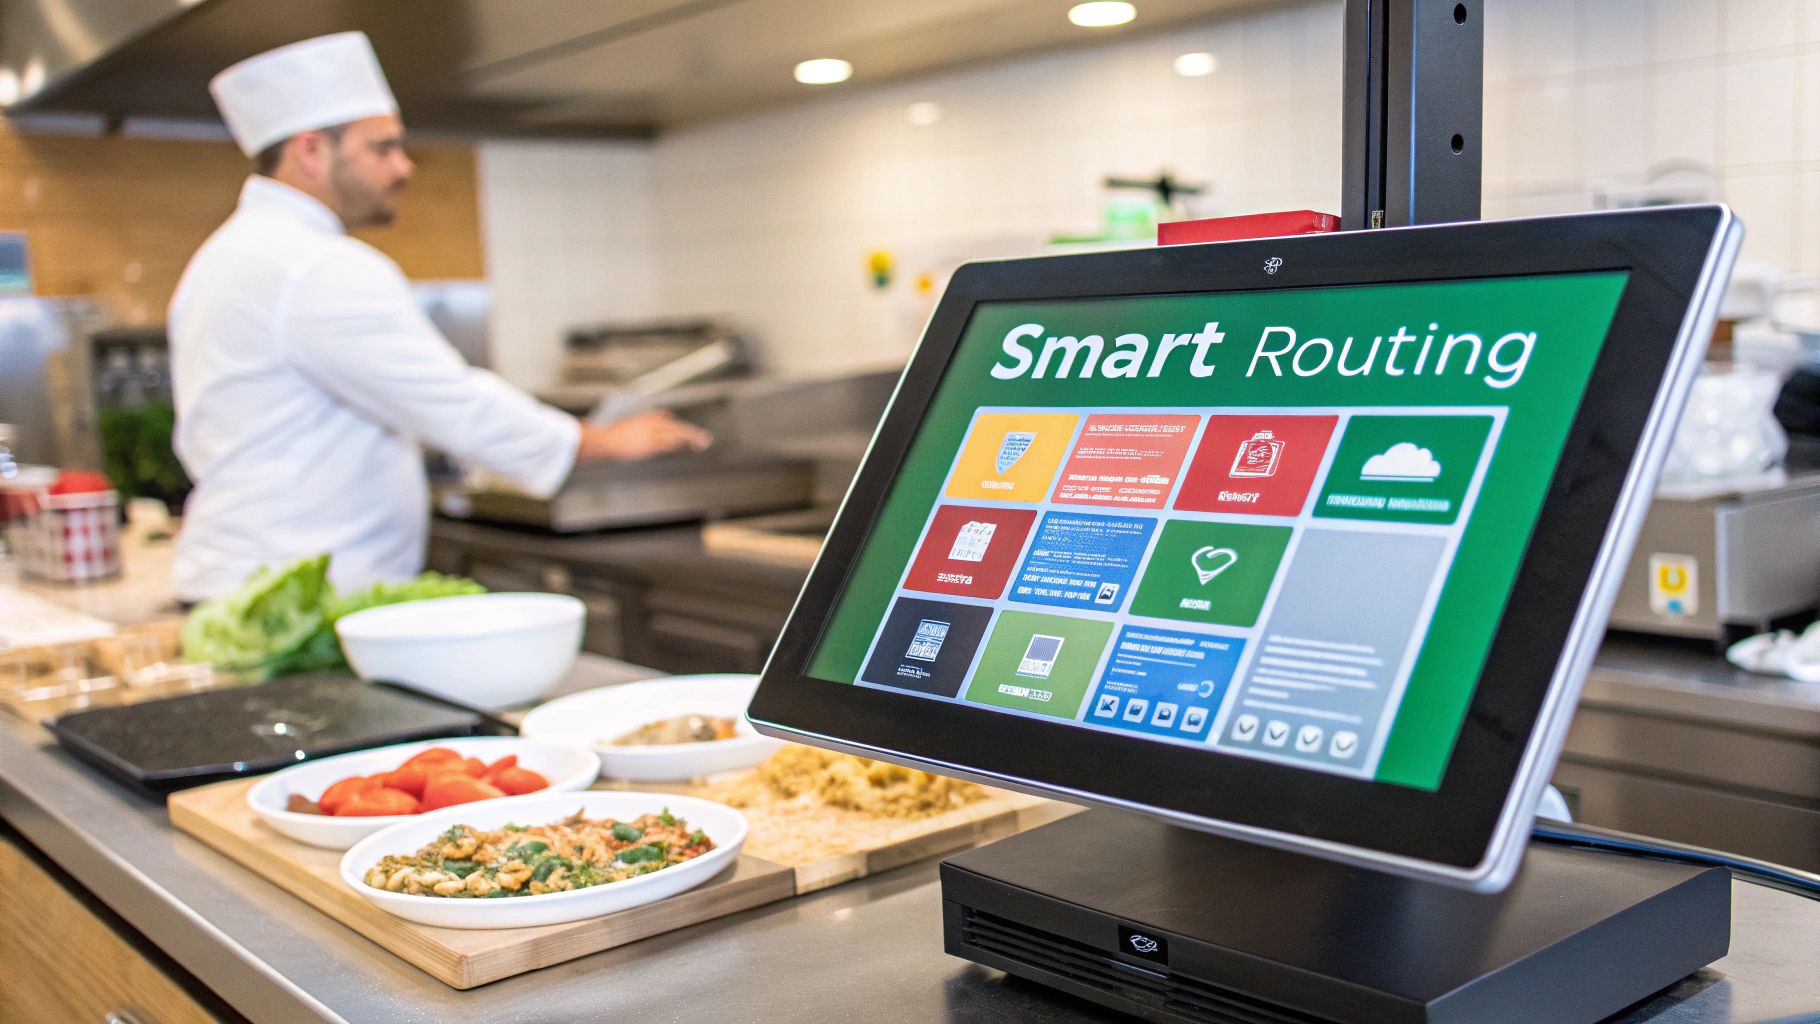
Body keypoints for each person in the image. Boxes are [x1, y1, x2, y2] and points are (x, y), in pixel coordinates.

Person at [168, 33, 708, 602]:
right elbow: (451, 403)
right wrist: (595, 440)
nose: (404, 168)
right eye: (382, 148)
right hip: (295, 599)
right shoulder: (317, 266)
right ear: (311, 151)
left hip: (249, 584)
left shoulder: (223, 257)